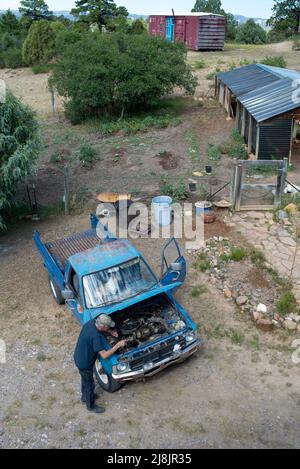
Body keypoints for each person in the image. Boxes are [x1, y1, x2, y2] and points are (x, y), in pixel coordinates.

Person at [74, 314, 126, 414]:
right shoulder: (95, 337)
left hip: (79, 355)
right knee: (89, 383)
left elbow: (101, 329)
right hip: (85, 362)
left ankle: (84, 397)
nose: (109, 328)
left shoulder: (91, 323)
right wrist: (118, 345)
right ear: (102, 326)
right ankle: (91, 405)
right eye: (108, 327)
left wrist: (110, 332)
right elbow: (104, 355)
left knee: (84, 379)